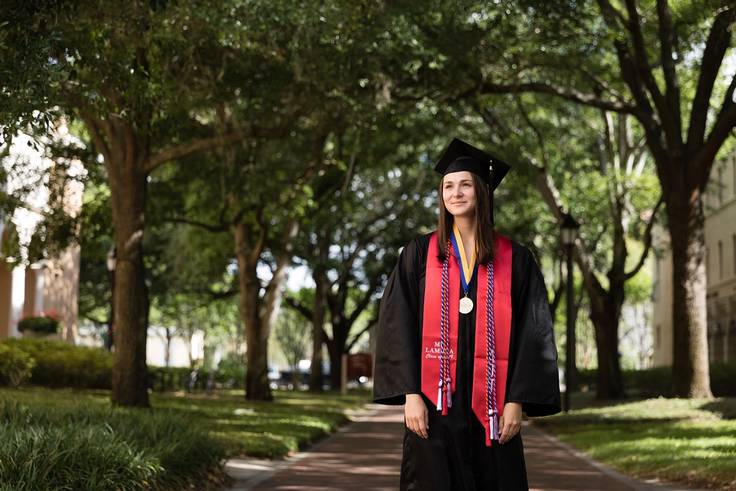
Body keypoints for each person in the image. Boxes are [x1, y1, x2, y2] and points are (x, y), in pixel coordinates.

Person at [373, 137, 561, 490]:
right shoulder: (418, 255)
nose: (455, 193)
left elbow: (533, 334)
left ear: (482, 193)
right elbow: (397, 324)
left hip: (492, 406)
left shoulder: (515, 259)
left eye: (465, 185)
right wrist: (410, 395)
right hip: (433, 404)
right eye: (447, 185)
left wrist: (516, 401)